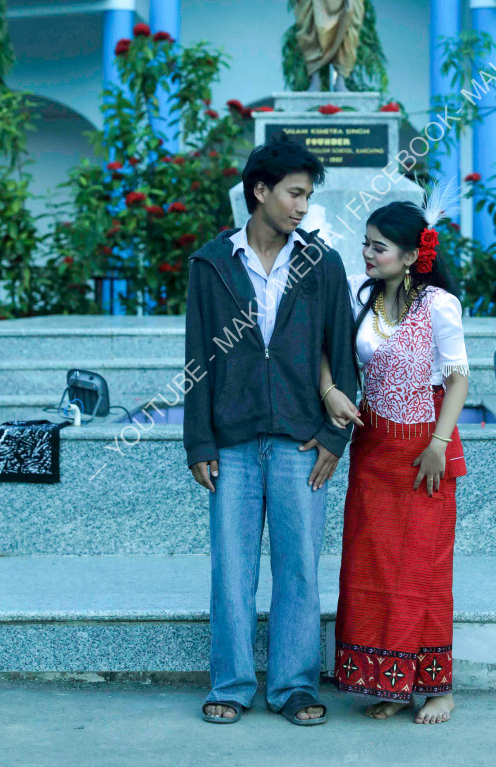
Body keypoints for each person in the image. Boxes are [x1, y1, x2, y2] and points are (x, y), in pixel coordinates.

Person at [183, 130, 359, 726]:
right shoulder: (211, 264)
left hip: (300, 441)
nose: (302, 206)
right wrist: (198, 440)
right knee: (231, 570)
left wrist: (334, 437)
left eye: (307, 196)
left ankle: (294, 686)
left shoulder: (321, 263)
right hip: (231, 442)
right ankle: (231, 685)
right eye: (294, 193)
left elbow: (343, 354)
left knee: (298, 570)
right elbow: (197, 357)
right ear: (260, 191)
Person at [318, 195, 470, 724]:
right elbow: (326, 352)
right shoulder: (362, 297)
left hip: (424, 452)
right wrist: (329, 391)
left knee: (424, 571)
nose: (366, 253)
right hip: (373, 452)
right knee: (373, 568)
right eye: (365, 243)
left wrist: (438, 444)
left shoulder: (439, 305)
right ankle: (392, 683)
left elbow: (458, 379)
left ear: (409, 256)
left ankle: (438, 690)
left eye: (378, 247)